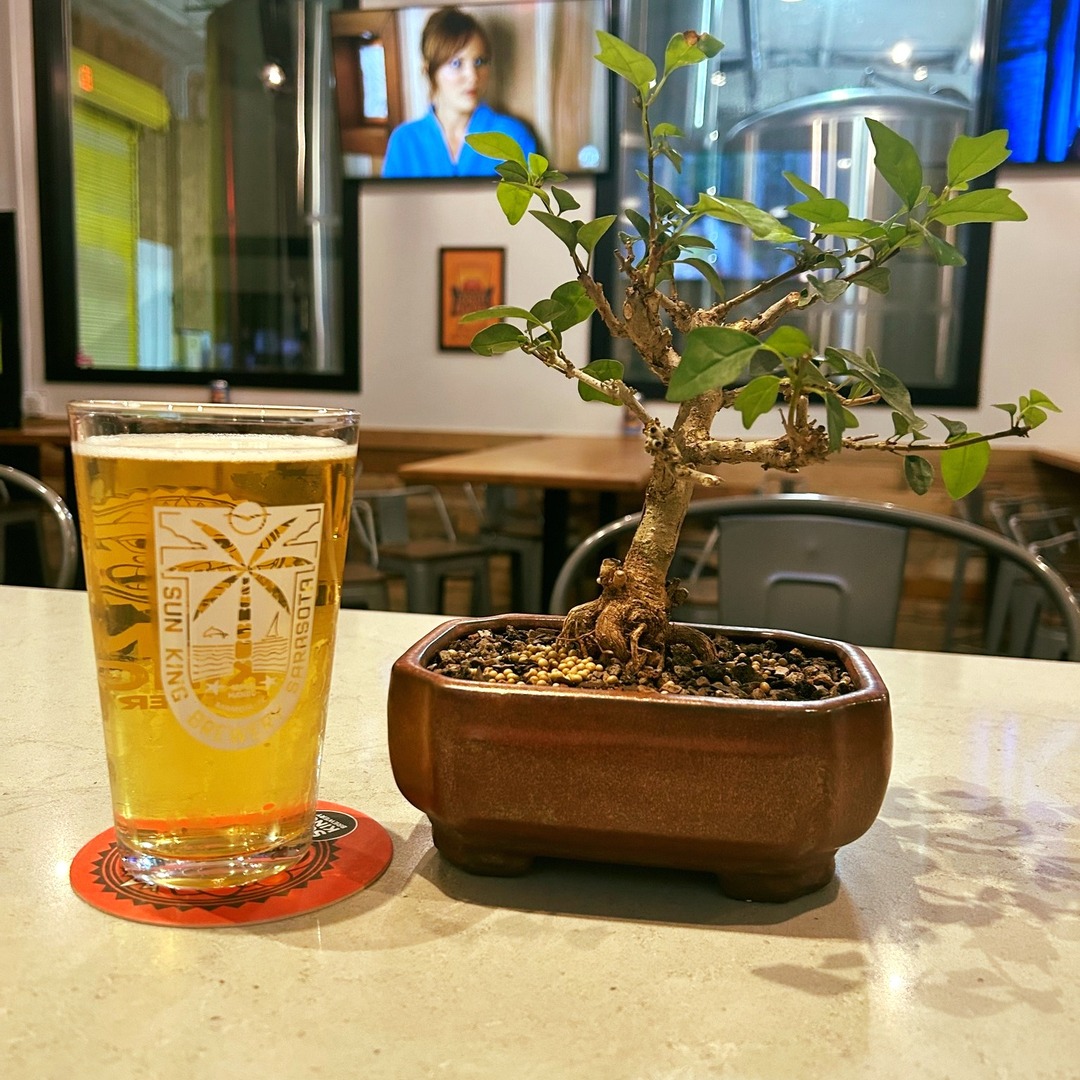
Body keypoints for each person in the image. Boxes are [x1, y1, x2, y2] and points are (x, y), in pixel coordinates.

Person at [381, 6, 537, 178]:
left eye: (479, 61)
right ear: (429, 71)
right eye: (456, 63)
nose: (472, 77)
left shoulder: (513, 135)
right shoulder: (404, 141)